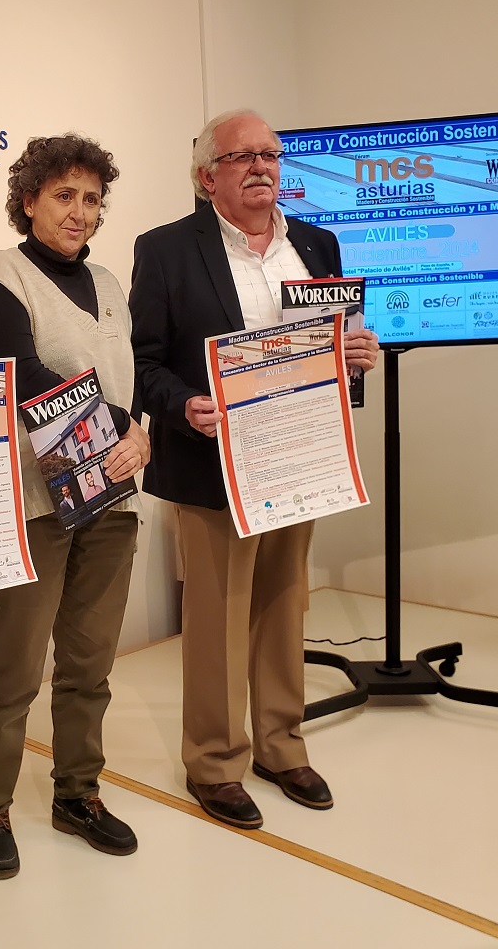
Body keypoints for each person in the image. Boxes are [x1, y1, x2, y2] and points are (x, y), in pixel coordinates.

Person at [129, 110, 379, 830]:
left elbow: (340, 345)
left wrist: (359, 357)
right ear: (208, 175)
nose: (262, 167)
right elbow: (142, 362)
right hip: (213, 466)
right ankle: (213, 762)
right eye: (243, 156)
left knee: (281, 606)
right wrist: (186, 406)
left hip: (299, 459)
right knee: (216, 619)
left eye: (271, 154)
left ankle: (280, 744)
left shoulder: (318, 244)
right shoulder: (168, 250)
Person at [0, 134, 149, 879]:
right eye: (64, 196)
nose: (80, 212)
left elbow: (131, 380)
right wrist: (122, 426)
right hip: (36, 503)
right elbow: (28, 378)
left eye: (92, 199)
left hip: (111, 499)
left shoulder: (109, 282)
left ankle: (78, 795)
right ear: (30, 200)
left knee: (90, 664)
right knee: (13, 670)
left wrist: (141, 438)